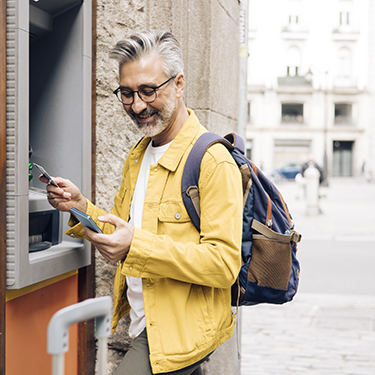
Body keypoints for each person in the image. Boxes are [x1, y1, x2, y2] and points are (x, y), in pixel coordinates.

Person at [40, 30, 242, 375]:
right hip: (146, 321)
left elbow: (224, 264)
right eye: (127, 93)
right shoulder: (139, 154)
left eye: (149, 91)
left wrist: (136, 245)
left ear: (178, 84)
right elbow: (120, 227)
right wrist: (78, 205)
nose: (137, 105)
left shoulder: (213, 161)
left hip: (177, 333)